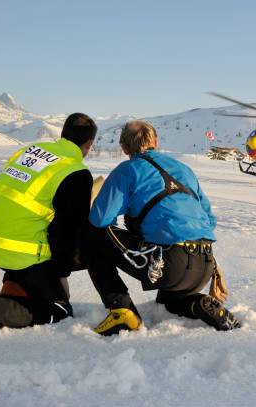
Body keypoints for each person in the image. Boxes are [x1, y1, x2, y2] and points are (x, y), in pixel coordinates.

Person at [83, 120, 240, 336]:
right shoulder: (184, 169)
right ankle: (199, 304)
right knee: (169, 303)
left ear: (124, 148)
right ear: (155, 142)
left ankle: (121, 308)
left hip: (169, 265)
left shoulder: (128, 170)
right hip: (204, 264)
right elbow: (209, 221)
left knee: (92, 237)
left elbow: (100, 220)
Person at [0, 113, 96, 337]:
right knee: (59, 310)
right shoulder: (75, 172)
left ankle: (16, 285)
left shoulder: (32, 151)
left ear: (63, 134)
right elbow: (66, 231)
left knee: (37, 263)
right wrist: (61, 273)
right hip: (17, 248)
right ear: (89, 144)